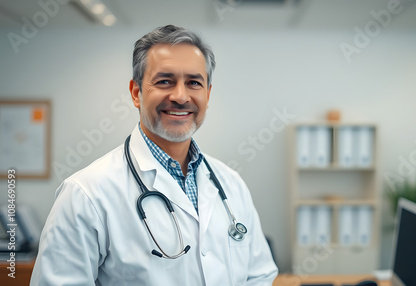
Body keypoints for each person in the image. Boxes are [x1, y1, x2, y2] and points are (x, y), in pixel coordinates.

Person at [31, 25, 278, 285]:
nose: (181, 96)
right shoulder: (86, 194)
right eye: (164, 81)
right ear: (136, 93)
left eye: (194, 83)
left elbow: (260, 274)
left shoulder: (231, 184)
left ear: (207, 94)